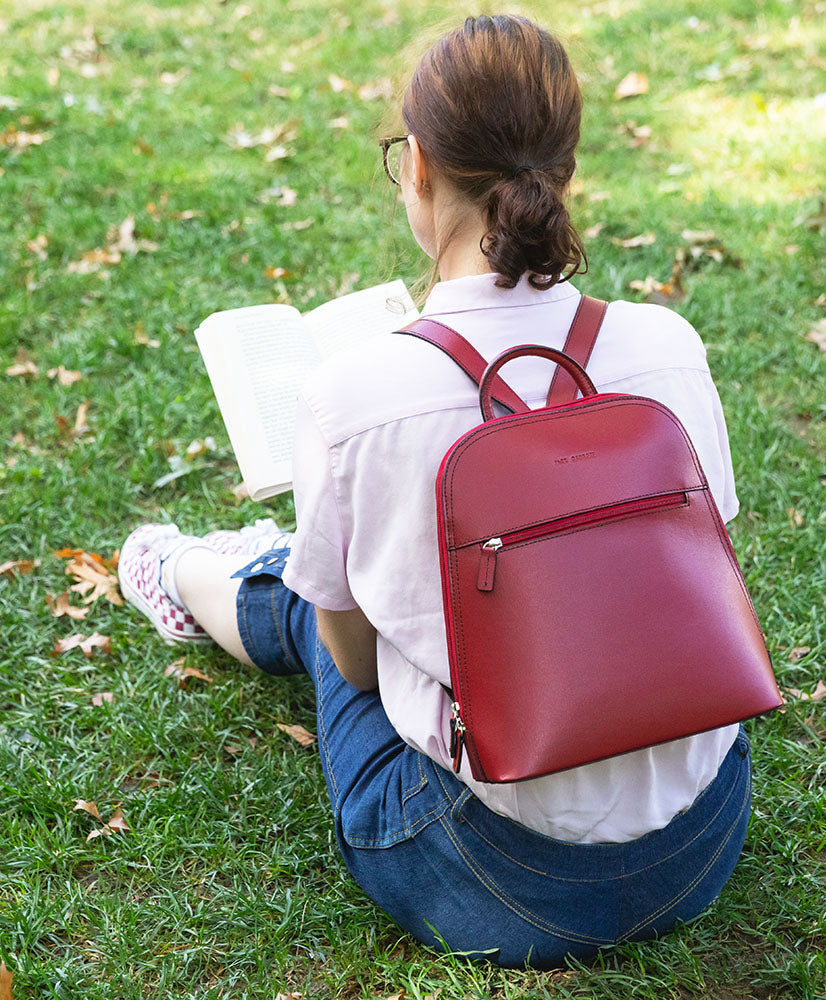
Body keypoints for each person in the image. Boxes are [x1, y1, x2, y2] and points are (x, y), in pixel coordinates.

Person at [119, 14, 752, 968]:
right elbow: (708, 571)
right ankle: (232, 571)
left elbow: (362, 668)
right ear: (566, 169)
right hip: (696, 842)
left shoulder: (354, 391)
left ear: (417, 165)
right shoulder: (665, 347)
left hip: (487, 870)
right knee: (365, 581)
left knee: (331, 608)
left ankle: (194, 573)